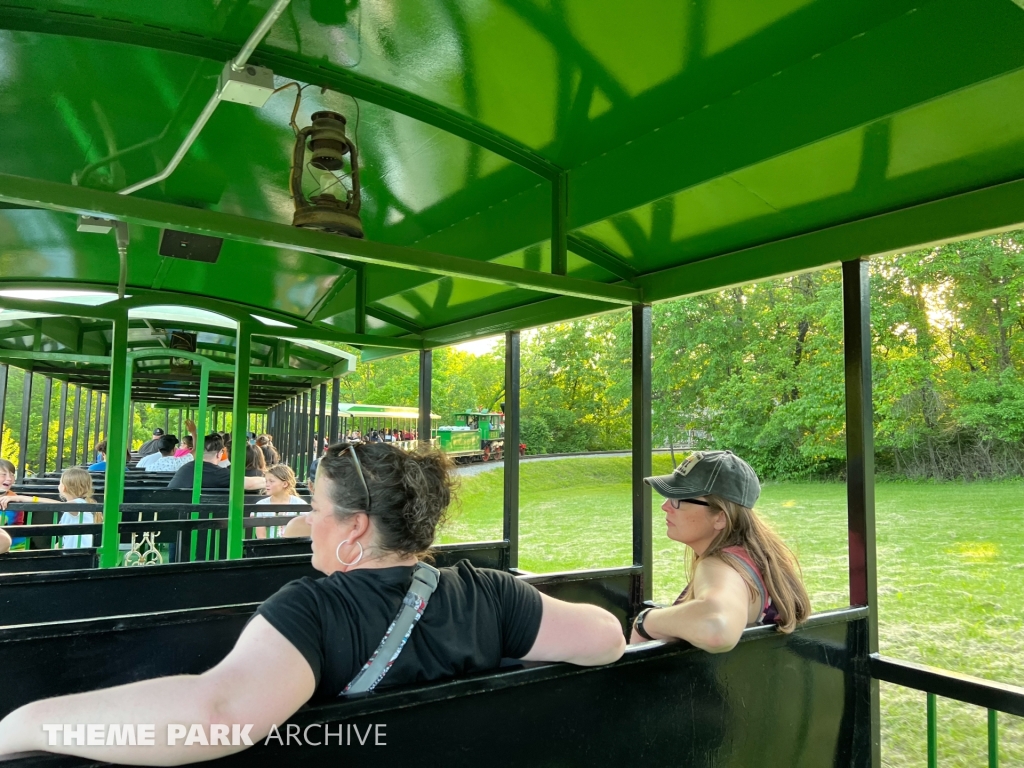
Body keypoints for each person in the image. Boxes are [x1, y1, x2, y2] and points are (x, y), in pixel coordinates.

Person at [0, 441, 625, 763]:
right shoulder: (489, 591)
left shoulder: (310, 609)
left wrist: (25, 723)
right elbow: (605, 637)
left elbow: (218, 717)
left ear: (354, 528)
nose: (308, 520)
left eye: (316, 511)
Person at [630, 450, 810, 652]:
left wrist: (645, 621)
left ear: (720, 518)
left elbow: (716, 626)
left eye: (678, 499)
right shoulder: (754, 560)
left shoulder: (719, 565)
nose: (665, 506)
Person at [166, 434, 266, 491]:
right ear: (220, 453)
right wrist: (273, 480)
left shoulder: (186, 468)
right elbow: (249, 484)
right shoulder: (217, 473)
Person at [253, 464, 306, 539]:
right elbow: (261, 537)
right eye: (266, 481)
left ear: (285, 484)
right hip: (268, 547)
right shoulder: (261, 505)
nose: (267, 484)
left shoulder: (300, 504)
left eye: (271, 481)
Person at [55, 467, 101, 549]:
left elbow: (62, 505)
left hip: (77, 553)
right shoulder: (84, 503)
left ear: (64, 487)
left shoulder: (79, 503)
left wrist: (34, 499)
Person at [0, 458, 28, 551]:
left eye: (12, 475)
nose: (9, 478)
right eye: (3, 474)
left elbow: (3, 520)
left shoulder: (13, 499)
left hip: (14, 548)